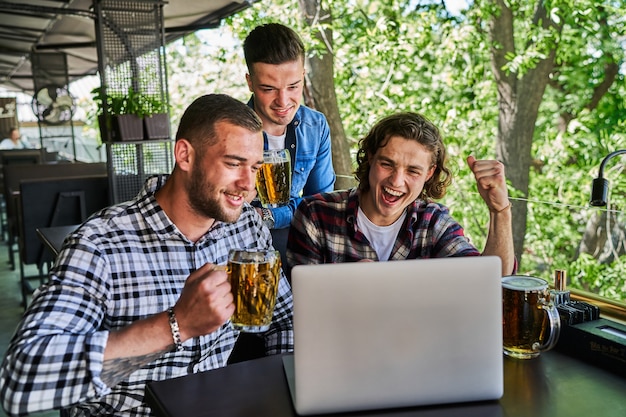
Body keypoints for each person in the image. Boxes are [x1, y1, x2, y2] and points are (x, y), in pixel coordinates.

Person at [0, 94, 294, 417]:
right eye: (233, 163)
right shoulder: (100, 244)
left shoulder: (247, 229)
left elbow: (285, 321)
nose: (248, 184)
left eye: (254, 167)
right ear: (185, 155)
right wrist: (176, 324)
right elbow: (20, 380)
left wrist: (277, 395)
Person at [287, 112, 516, 275]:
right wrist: (346, 285)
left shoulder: (434, 223)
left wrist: (500, 211)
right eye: (387, 164)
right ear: (369, 157)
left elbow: (491, 282)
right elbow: (299, 313)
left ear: (429, 174)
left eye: (413, 171)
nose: (397, 181)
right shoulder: (315, 215)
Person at [243, 23, 336, 230]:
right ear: (250, 83)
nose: (283, 102)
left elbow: (322, 204)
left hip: (300, 237)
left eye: (293, 87)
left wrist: (270, 215)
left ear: (303, 76)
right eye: (269, 89)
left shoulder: (316, 126)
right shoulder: (229, 129)